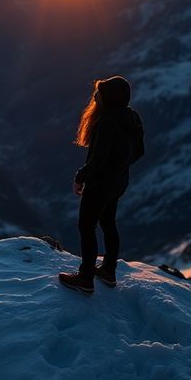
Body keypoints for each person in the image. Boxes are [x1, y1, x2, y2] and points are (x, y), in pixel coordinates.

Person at [58, 75, 144, 295]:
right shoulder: (132, 117)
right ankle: (108, 270)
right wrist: (120, 166)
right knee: (108, 223)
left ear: (110, 98)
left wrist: (80, 177)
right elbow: (139, 152)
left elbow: (97, 160)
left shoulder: (106, 122)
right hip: (117, 183)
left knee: (86, 226)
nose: (96, 97)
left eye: (100, 93)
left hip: (100, 185)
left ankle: (86, 277)